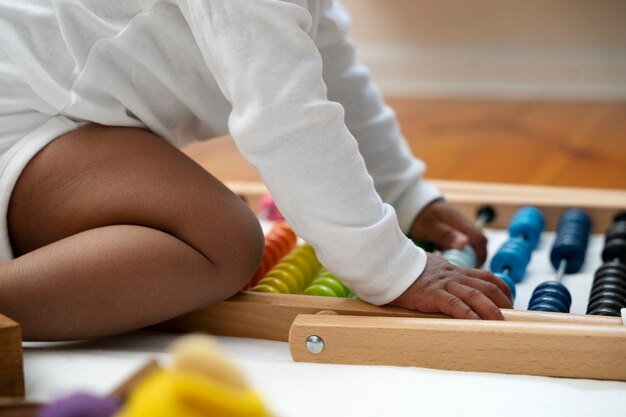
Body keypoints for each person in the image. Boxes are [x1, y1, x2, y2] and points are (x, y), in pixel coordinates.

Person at [0, 0, 511, 341]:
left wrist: (403, 192)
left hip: (58, 118)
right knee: (219, 240)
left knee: (203, 230)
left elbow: (331, 73)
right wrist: (388, 267)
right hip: (22, 121)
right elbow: (285, 115)